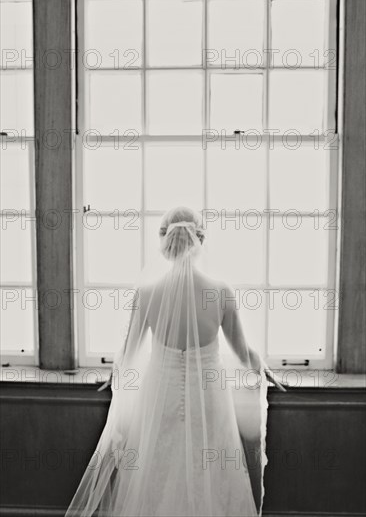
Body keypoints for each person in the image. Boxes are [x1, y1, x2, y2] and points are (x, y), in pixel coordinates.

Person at [65, 206, 285, 517]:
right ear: (201, 241)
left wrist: (115, 376)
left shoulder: (148, 292)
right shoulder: (220, 291)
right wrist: (263, 369)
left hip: (159, 395)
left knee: (159, 467)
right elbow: (243, 353)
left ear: (165, 244)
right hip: (209, 398)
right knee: (208, 469)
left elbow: (128, 355)